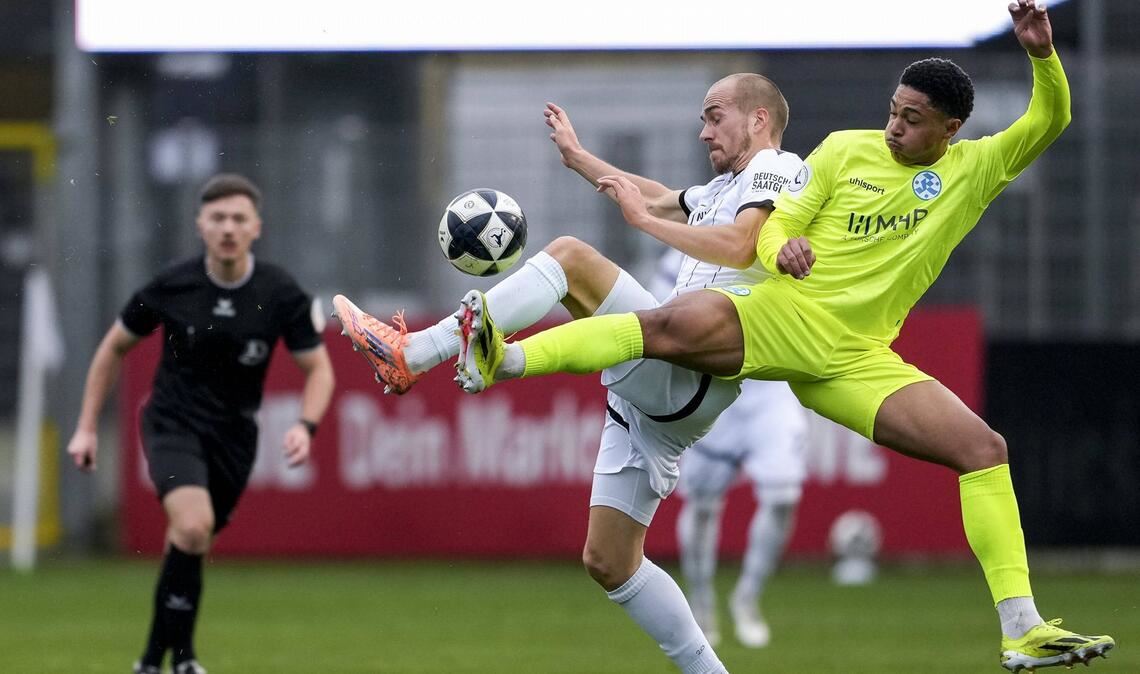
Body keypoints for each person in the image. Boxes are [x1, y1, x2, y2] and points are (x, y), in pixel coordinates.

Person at [450, 2, 1115, 671]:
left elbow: (1050, 117)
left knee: (983, 448)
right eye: (892, 110)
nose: (893, 128)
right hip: (788, 317)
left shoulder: (975, 169)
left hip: (856, 358)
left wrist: (1040, 54)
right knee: (668, 326)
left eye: (912, 121)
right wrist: (782, 252)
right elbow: (768, 228)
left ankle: (1021, 629)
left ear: (952, 128)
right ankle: (506, 357)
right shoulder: (842, 150)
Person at [334, 73, 802, 673]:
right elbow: (660, 196)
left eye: (715, 115)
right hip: (656, 393)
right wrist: (581, 160)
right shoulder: (726, 184)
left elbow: (741, 244)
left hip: (691, 368)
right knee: (610, 559)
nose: (704, 129)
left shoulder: (777, 168)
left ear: (758, 119)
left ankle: (414, 353)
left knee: (572, 258)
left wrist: (641, 220)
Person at [66, 174, 336, 674]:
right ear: (200, 226)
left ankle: (162, 660)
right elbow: (113, 348)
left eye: (238, 219)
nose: (228, 228)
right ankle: (174, 663)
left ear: (257, 227)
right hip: (171, 423)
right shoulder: (173, 285)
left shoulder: (280, 293)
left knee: (189, 542)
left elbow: (317, 369)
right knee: (193, 526)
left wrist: (306, 425)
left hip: (234, 436)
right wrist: (85, 427)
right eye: (218, 218)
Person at [649, 249, 808, 650]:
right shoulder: (686, 249)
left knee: (782, 495)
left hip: (770, 384)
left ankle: (747, 597)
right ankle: (701, 602)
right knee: (702, 504)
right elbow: (661, 318)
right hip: (713, 385)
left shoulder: (780, 232)